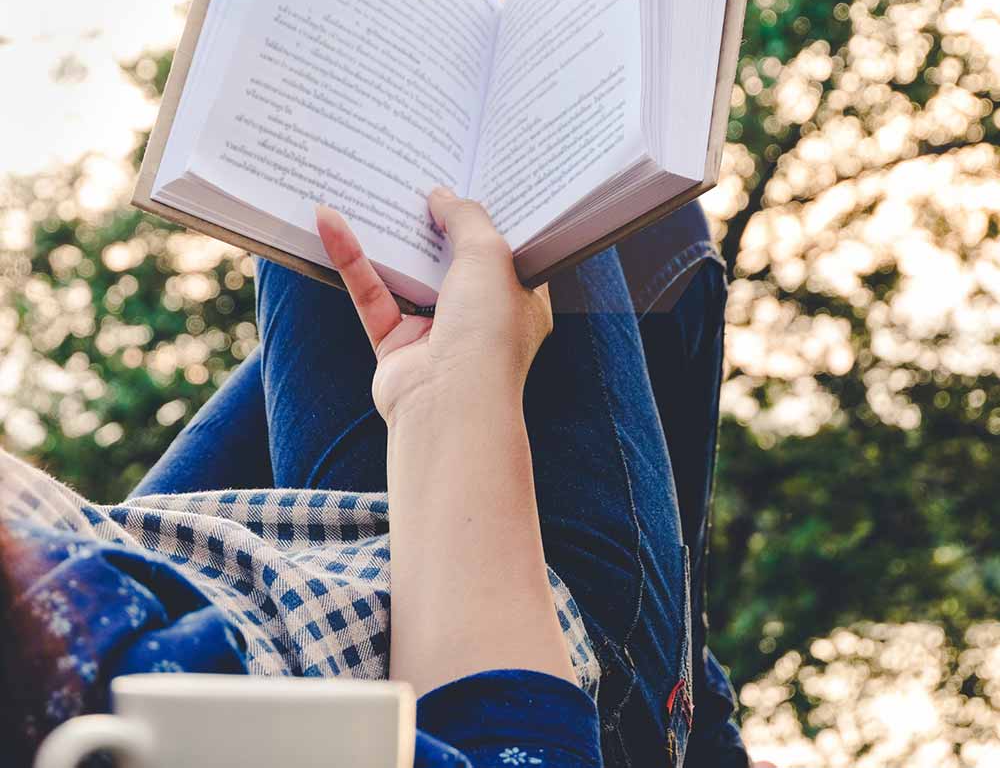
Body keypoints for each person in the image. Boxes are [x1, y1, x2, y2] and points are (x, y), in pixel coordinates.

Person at [1, 188, 751, 767]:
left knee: (392, 209)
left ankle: (698, 713)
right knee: (638, 225)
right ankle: (686, 720)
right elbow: (508, 745)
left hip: (133, 553)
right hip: (501, 661)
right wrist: (453, 398)